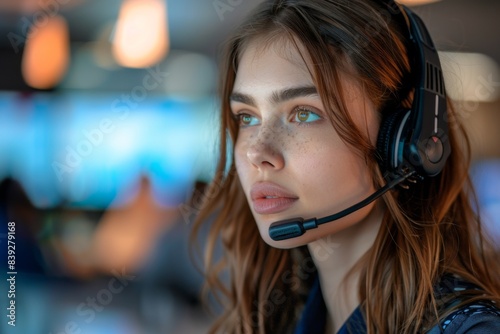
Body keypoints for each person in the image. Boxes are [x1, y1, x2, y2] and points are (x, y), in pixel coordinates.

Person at [191, 0, 500, 333]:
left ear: (403, 138)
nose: (257, 153)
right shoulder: (279, 318)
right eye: (247, 117)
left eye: (304, 113)